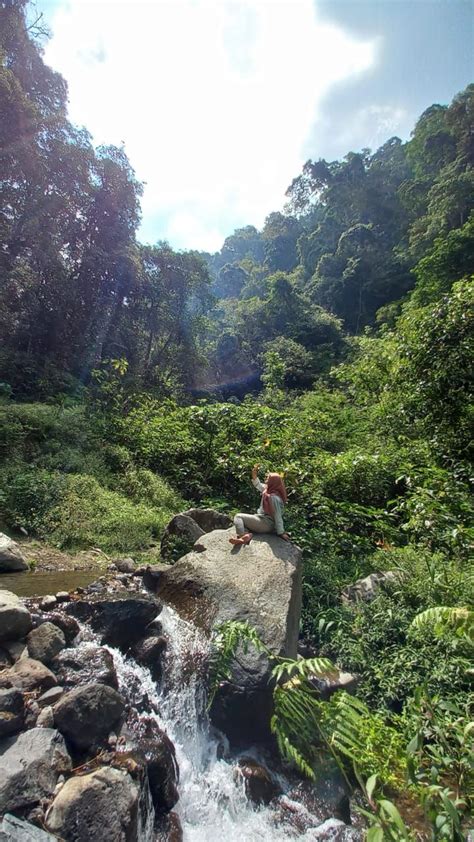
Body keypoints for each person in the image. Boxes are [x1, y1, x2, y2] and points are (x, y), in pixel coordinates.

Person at [229, 464, 290, 545]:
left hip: (266, 523)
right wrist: (254, 474)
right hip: (262, 519)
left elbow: (277, 516)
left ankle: (243, 536)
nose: (266, 479)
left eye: (268, 478)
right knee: (244, 521)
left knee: (238, 516)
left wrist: (281, 532)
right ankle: (246, 535)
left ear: (273, 482)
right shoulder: (268, 490)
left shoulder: (274, 497)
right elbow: (258, 484)